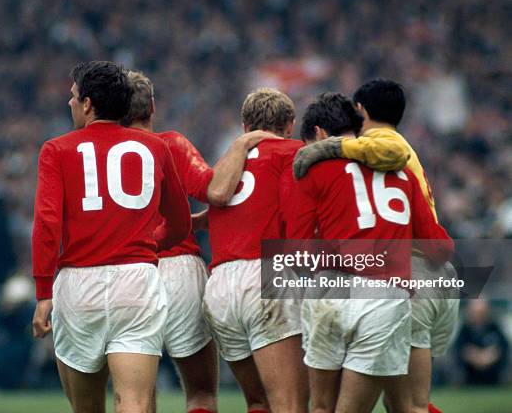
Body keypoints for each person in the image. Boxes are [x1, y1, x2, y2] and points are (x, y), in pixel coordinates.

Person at [31, 60, 191, 413]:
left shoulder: (56, 150)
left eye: (73, 96)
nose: (69, 102)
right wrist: (147, 245)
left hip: (77, 285)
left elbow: (46, 224)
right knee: (133, 402)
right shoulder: (156, 148)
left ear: (88, 104)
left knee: (86, 407)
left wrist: (43, 291)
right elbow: (180, 225)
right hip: (136, 282)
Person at [293, 79, 459, 413]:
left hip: (378, 277)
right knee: (407, 404)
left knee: (388, 405)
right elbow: (439, 245)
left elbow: (301, 249)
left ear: (362, 111)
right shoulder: (394, 166)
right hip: (407, 277)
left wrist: (325, 150)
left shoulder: (379, 148)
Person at [121, 71, 276, 413]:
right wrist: (242, 144)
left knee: (135, 399)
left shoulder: (100, 156)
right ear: (152, 107)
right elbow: (215, 190)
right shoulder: (170, 144)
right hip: (178, 270)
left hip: (124, 270)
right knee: (201, 394)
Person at [204, 88, 309, 413]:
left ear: (244, 126)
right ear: (290, 125)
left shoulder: (230, 160)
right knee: (289, 405)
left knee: (258, 402)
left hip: (220, 285)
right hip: (267, 275)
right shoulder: (295, 153)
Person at [456, 299, 509, 386]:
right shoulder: (465, 330)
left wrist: (489, 357)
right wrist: (476, 357)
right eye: (475, 312)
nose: (478, 316)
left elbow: (502, 348)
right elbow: (460, 350)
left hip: (494, 378)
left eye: (481, 313)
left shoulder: (495, 328)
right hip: (469, 378)